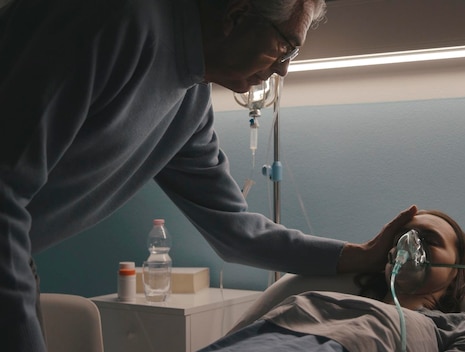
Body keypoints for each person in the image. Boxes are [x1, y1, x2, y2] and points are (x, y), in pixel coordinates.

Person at [0, 0, 419, 350]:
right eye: (287, 46)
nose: (284, 70)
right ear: (235, 15)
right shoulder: (113, 19)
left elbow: (237, 232)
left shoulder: (188, 103)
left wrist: (357, 255)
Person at [200, 210, 465, 351]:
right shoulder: (329, 299)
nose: (409, 245)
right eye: (402, 237)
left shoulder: (461, 327)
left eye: (429, 239)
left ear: (456, 269)